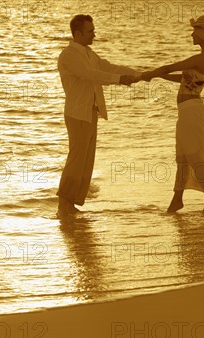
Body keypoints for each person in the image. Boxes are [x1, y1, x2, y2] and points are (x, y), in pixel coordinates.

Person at [140, 15, 204, 214]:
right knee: (183, 157)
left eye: (195, 31)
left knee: (192, 155)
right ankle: (177, 200)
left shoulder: (202, 58)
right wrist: (158, 75)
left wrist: (149, 74)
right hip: (187, 111)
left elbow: (171, 67)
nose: (192, 34)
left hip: (191, 111)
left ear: (203, 34)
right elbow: (182, 78)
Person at [57, 14, 139, 217]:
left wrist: (140, 74)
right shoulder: (69, 55)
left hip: (90, 113)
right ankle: (63, 205)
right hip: (77, 114)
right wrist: (120, 79)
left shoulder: (89, 53)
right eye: (90, 31)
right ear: (77, 33)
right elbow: (90, 75)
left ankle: (72, 204)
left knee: (86, 161)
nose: (94, 34)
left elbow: (108, 67)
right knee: (76, 159)